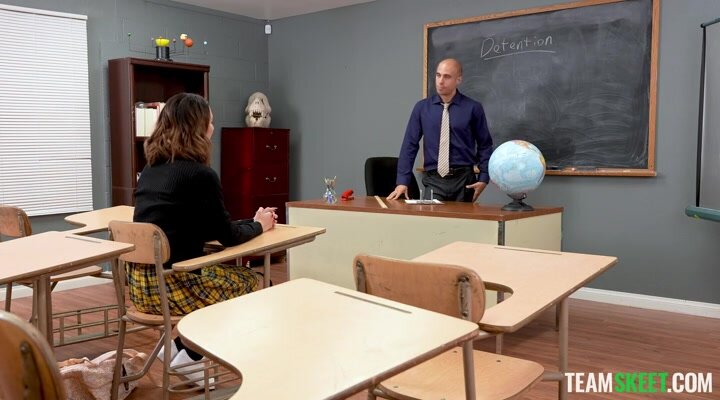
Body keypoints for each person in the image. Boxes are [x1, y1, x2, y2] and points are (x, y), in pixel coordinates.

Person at [131, 92, 277, 383]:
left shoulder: (150, 171)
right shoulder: (201, 175)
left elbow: (201, 225)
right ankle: (190, 354)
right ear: (196, 129)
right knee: (260, 284)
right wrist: (260, 227)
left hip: (141, 285)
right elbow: (227, 236)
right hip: (176, 283)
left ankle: (177, 347)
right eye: (209, 123)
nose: (212, 129)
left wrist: (252, 222)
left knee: (230, 282)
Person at [387, 58, 493, 202]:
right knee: (431, 216)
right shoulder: (422, 108)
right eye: (438, 75)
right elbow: (409, 145)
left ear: (458, 79)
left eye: (447, 76)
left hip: (464, 181)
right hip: (433, 180)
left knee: (463, 218)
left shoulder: (473, 108)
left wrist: (484, 178)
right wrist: (402, 181)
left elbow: (485, 144)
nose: (440, 81)